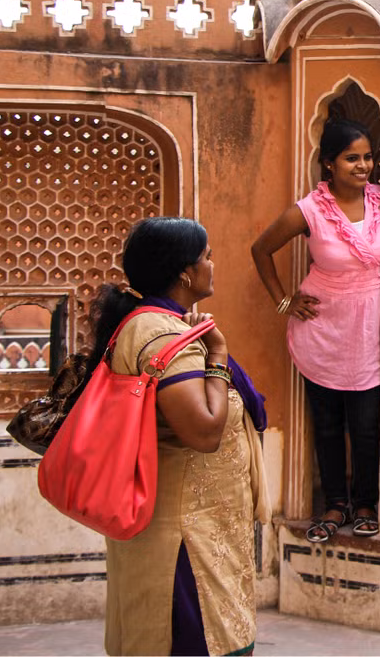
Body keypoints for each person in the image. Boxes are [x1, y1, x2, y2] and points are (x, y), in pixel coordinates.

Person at [94, 217, 270, 656]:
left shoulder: (166, 327)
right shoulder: (159, 334)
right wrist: (218, 356)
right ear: (185, 273)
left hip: (200, 528)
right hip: (182, 539)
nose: (213, 264)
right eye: (207, 256)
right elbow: (203, 430)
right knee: (191, 643)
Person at [251, 119, 380, 542]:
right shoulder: (310, 209)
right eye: (352, 158)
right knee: (327, 424)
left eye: (367, 157)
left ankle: (365, 502)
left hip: (369, 329)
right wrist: (283, 301)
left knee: (366, 425)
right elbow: (261, 249)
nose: (362, 165)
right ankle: (334, 504)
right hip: (323, 327)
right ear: (329, 163)